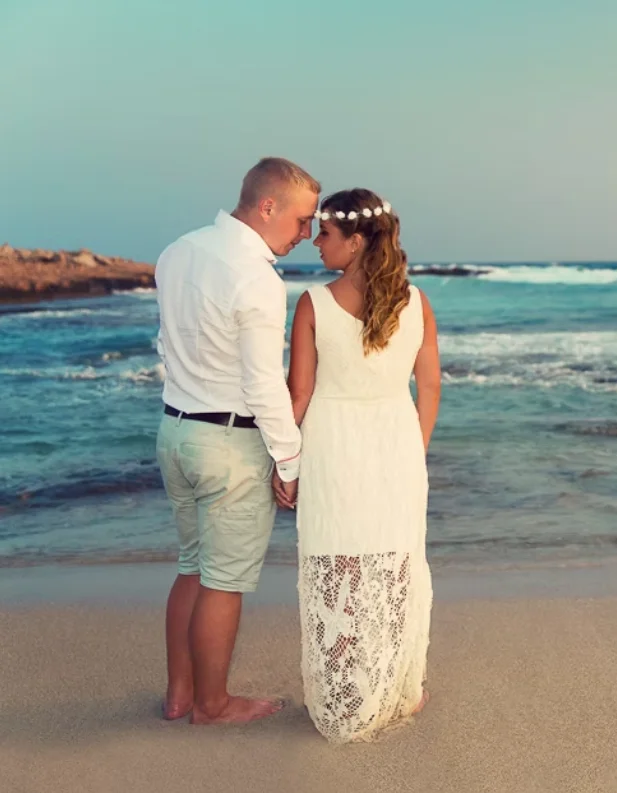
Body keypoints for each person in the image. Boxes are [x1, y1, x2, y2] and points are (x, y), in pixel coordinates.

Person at [155, 157, 319, 725]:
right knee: (223, 582)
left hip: (176, 431)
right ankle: (213, 705)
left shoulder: (177, 251)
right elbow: (263, 384)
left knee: (192, 567)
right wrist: (289, 460)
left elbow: (167, 344)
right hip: (228, 444)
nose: (307, 234)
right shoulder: (257, 278)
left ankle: (179, 696)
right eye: (302, 220)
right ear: (267, 206)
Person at [277, 187, 441, 743]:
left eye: (325, 233)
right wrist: (414, 451)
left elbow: (298, 395)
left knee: (340, 562)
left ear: (355, 241)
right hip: (397, 445)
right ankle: (397, 689)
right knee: (394, 561)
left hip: (334, 445)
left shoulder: (313, 303)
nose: (315, 242)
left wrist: (284, 464)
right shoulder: (417, 302)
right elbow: (429, 387)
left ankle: (346, 695)